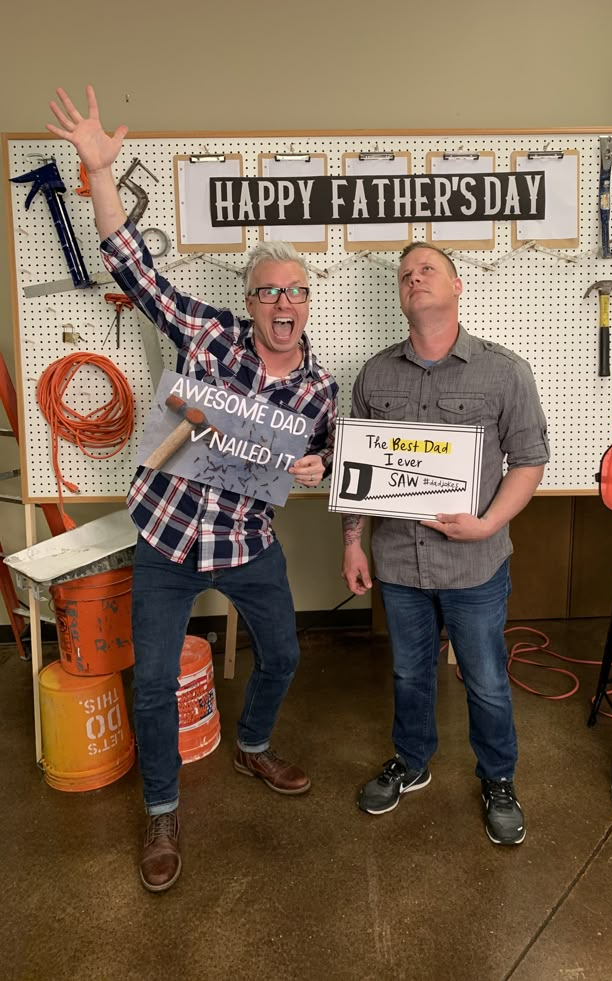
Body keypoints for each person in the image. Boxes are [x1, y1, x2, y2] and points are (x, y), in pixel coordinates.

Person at [47, 86, 339, 892]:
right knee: (149, 679)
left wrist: (314, 471)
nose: (283, 302)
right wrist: (100, 172)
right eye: (268, 290)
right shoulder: (209, 335)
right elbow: (132, 266)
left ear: (308, 303)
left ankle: (250, 747)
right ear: (249, 303)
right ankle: (162, 807)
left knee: (282, 653)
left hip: (248, 547)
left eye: (296, 291)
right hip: (169, 540)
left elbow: (320, 461)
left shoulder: (319, 388)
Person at [342, 242, 548, 845]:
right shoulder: (375, 374)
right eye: (406, 274)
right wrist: (353, 543)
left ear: (458, 287)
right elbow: (358, 471)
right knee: (409, 673)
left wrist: (486, 524)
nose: (414, 278)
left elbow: (529, 461)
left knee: (484, 679)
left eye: (428, 269)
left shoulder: (504, 370)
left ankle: (499, 778)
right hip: (400, 564)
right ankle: (411, 762)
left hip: (475, 565)